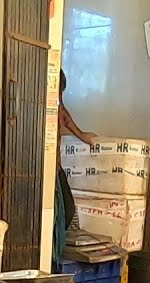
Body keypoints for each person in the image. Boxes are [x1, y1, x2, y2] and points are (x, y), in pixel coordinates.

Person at [53, 69, 96, 265]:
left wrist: (82, 135)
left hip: (57, 168)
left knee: (68, 210)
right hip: (46, 170)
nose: (60, 98)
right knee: (61, 212)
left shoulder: (58, 105)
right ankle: (52, 256)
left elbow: (65, 116)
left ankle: (57, 252)